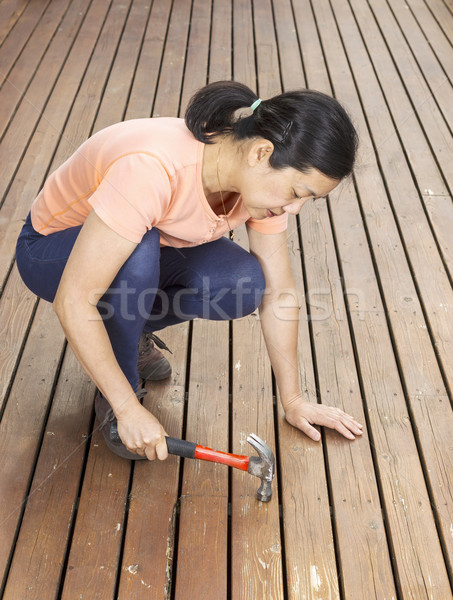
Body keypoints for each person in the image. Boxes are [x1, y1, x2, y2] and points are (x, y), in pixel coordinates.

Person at [16, 80, 363, 462]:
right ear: (262, 152)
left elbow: (278, 292)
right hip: (51, 250)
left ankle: (126, 336)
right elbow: (72, 299)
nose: (295, 209)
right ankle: (117, 399)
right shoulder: (153, 168)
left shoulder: (259, 188)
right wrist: (129, 408)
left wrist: (294, 400)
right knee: (139, 252)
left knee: (243, 284)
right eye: (298, 193)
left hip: (139, 247)